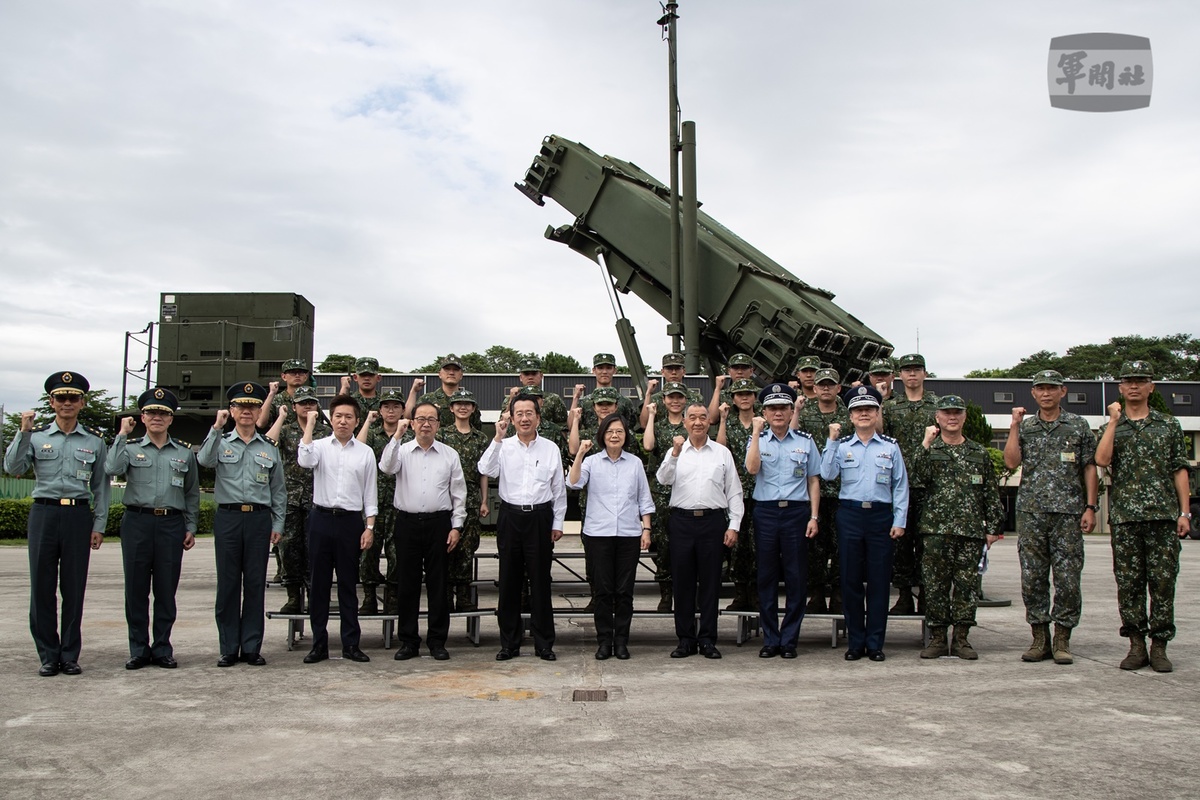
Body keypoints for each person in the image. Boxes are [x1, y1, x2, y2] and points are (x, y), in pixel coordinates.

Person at [4, 371, 110, 677]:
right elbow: (13, 467)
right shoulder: (36, 436)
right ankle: (48, 654)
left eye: (72, 398)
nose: (67, 403)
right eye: (61, 398)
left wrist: (99, 524)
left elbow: (101, 486)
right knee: (42, 587)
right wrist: (23, 432)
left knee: (74, 588)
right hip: (44, 514)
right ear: (52, 402)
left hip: (78, 516)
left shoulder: (94, 441)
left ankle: (70, 654)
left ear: (82, 403)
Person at [1094, 361, 1191, 673]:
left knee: (1163, 583)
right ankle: (1136, 644)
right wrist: (1112, 421)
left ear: (1152, 387)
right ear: (1121, 388)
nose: (1134, 386)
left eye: (1141, 381)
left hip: (1162, 517)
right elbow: (1101, 460)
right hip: (1125, 518)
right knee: (1129, 583)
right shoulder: (1112, 427)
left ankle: (1159, 646)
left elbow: (1180, 469)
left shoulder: (1168, 425)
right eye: (1128, 381)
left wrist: (1184, 512)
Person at [1002, 369, 1098, 665]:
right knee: (1032, 578)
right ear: (1033, 393)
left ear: (1063, 392)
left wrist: (1090, 507)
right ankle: (1039, 636)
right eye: (1040, 389)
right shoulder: (1027, 427)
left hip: (1068, 514)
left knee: (1068, 578)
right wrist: (1015, 426)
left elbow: (1090, 467)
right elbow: (1011, 461)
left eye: (1051, 388)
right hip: (1031, 512)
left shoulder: (1078, 426)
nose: (1046, 393)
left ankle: (1062, 638)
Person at [105, 387, 199, 670]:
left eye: (163, 413)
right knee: (136, 590)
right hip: (137, 522)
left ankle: (162, 648)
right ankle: (138, 649)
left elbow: (192, 494)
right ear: (142, 417)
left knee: (165, 590)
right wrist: (121, 435)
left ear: (171, 419)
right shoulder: (130, 448)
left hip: (171, 524)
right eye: (151, 412)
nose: (157, 417)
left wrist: (191, 526)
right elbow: (111, 468)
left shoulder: (184, 453)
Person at [197, 382, 286, 667]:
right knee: (228, 584)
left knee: (256, 583)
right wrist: (216, 427)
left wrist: (278, 523)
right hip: (229, 518)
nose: (246, 411)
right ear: (232, 411)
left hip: (259, 518)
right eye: (240, 406)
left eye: (252, 406)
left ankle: (251, 647)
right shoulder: (220, 442)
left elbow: (278, 490)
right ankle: (228, 647)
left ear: (260, 411)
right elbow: (204, 461)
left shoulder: (269, 448)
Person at [820, 386, 909, 662]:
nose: (864, 414)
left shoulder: (890, 447)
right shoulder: (843, 445)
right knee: (850, 580)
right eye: (858, 410)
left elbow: (900, 485)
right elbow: (826, 474)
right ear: (850, 416)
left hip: (881, 516)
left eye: (869, 410)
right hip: (850, 515)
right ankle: (856, 642)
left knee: (880, 582)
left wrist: (899, 520)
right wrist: (831, 442)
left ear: (876, 413)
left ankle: (875, 643)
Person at [911, 395, 1003, 660]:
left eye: (957, 413)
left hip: (970, 532)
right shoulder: (930, 450)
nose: (952, 417)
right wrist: (925, 444)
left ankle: (962, 639)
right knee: (935, 586)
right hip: (935, 530)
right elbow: (916, 478)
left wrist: (992, 528)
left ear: (964, 417)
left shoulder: (979, 452)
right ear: (937, 417)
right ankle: (938, 639)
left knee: (967, 586)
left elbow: (990, 492)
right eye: (946, 413)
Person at [478, 395, 567, 661]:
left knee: (540, 582)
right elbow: (485, 468)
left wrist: (558, 522)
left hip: (539, 518)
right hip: (510, 517)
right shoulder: (502, 446)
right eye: (519, 413)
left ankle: (544, 643)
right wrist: (497, 437)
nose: (524, 418)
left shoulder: (551, 448)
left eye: (530, 413)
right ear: (512, 417)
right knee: (509, 582)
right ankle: (509, 643)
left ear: (538, 418)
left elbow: (558, 489)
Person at [656, 402, 743, 659]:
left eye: (702, 417)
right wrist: (674, 452)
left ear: (709, 422)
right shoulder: (675, 452)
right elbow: (663, 479)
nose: (697, 422)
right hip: (682, 522)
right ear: (684, 422)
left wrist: (734, 525)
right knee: (682, 584)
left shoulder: (721, 453)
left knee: (710, 584)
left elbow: (734, 491)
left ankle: (707, 639)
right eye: (692, 417)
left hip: (712, 522)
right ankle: (685, 639)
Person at [379, 402, 466, 661]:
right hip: (407, 523)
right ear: (412, 423)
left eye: (431, 419)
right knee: (407, 585)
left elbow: (458, 494)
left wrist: (456, 526)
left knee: (439, 585)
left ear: (439, 424)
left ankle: (438, 641)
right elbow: (386, 466)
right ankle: (408, 641)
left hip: (439, 524)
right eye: (420, 419)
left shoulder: (450, 454)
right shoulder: (401, 451)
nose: (426, 424)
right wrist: (396, 435)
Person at [295, 394, 377, 664]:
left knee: (347, 585)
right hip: (321, 519)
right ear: (331, 419)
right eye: (338, 416)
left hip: (350, 522)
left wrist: (369, 526)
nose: (343, 421)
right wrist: (309, 425)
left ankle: (351, 644)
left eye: (349, 417)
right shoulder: (318, 446)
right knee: (319, 585)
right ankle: (319, 644)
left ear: (357, 421)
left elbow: (370, 493)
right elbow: (304, 461)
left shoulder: (365, 452)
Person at [567, 413, 654, 660]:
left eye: (619, 431)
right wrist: (580, 454)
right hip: (598, 535)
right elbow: (573, 483)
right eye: (609, 431)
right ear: (602, 436)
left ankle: (622, 641)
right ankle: (604, 641)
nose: (614, 435)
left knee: (624, 592)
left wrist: (646, 529)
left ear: (626, 436)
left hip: (628, 534)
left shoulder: (635, 463)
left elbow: (644, 499)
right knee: (603, 591)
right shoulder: (592, 462)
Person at [745, 384, 819, 659]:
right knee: (766, 576)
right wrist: (755, 432)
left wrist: (814, 516)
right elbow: (752, 469)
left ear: (791, 412)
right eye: (772, 408)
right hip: (765, 511)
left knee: (796, 577)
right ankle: (770, 638)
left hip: (796, 513)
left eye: (783, 408)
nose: (778, 413)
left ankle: (789, 639)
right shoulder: (757, 439)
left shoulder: (804, 440)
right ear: (764, 411)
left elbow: (813, 480)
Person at [883, 352, 938, 616]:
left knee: (928, 545)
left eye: (917, 369)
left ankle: (926, 594)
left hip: (930, 485)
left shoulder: (937, 405)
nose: (912, 374)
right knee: (900, 545)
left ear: (925, 373)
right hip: (899, 485)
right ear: (899, 375)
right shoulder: (891, 406)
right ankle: (904, 595)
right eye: (907, 370)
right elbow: (881, 437)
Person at [794, 367, 850, 614]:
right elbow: (793, 435)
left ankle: (838, 593)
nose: (826, 388)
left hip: (842, 491)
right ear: (814, 389)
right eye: (821, 384)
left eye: (831, 384)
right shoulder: (805, 415)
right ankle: (816, 593)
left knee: (840, 546)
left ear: (839, 388)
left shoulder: (849, 416)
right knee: (813, 547)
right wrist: (796, 409)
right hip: (811, 492)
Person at [270, 386, 329, 615]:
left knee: (315, 550)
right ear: (294, 406)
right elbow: (268, 443)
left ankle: (315, 594)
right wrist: (282, 416)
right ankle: (293, 596)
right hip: (290, 499)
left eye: (311, 402)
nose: (307, 406)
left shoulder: (324, 432)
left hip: (317, 498)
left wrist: (314, 425)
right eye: (302, 402)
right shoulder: (285, 430)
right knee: (289, 548)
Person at [436, 389, 491, 612]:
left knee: (467, 548)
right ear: (451, 408)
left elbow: (483, 472)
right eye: (458, 404)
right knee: (445, 547)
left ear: (473, 409)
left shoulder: (480, 438)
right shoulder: (442, 435)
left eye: (467, 404)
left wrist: (484, 500)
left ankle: (464, 593)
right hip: (444, 498)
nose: (462, 407)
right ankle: (446, 594)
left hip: (470, 498)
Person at [642, 382, 690, 613]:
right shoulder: (658, 426)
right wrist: (651, 416)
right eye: (671, 397)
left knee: (685, 543)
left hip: (685, 489)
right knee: (662, 545)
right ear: (664, 401)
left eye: (679, 397)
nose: (675, 401)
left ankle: (683, 591)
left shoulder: (691, 425)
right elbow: (648, 445)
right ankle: (665, 593)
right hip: (661, 493)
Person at [355, 391, 404, 616]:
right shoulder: (373, 435)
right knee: (369, 551)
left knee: (396, 551)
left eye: (396, 407)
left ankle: (393, 595)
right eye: (386, 407)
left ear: (403, 410)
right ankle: (369, 596)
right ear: (380, 410)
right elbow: (358, 447)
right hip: (374, 502)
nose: (391, 411)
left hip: (399, 502)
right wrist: (367, 420)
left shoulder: (408, 435)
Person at [715, 378, 759, 611]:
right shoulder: (729, 423)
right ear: (732, 399)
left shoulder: (763, 423)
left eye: (749, 393)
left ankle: (756, 593)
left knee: (759, 545)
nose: (744, 397)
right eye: (739, 394)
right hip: (735, 493)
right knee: (737, 546)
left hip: (760, 492)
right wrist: (722, 420)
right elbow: (721, 450)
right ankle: (741, 593)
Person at [409, 354, 482, 429]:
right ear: (440, 374)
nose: (451, 373)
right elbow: (409, 417)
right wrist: (413, 391)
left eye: (455, 370)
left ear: (461, 375)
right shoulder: (427, 399)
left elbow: (476, 428)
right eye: (447, 369)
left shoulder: (469, 400)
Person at [571, 352, 639, 431]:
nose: (604, 372)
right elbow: (571, 426)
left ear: (614, 370)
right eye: (600, 368)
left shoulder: (625, 402)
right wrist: (575, 398)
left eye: (609, 368)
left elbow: (631, 429)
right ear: (593, 370)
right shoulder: (584, 402)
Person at [640, 352, 702, 429]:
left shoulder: (696, 398)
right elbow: (644, 424)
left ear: (684, 371)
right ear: (662, 372)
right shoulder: (654, 399)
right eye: (669, 369)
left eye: (677, 368)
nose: (673, 372)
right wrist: (648, 394)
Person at [501, 357, 568, 428]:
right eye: (526, 374)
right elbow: (502, 424)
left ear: (541, 376)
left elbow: (563, 426)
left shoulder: (553, 399)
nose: (530, 377)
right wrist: (511, 400)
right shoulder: (511, 399)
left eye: (534, 374)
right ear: (520, 377)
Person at [257, 358, 314, 429]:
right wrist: (271, 394)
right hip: (282, 439)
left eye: (301, 373)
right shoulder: (276, 400)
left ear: (305, 377)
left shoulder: (312, 400)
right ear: (284, 376)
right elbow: (260, 423)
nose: (297, 375)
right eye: (292, 372)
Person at [707, 353, 758, 420]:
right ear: (729, 371)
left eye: (744, 368)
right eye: (735, 368)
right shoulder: (723, 395)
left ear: (751, 371)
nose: (739, 372)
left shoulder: (761, 394)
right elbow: (711, 419)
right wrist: (717, 389)